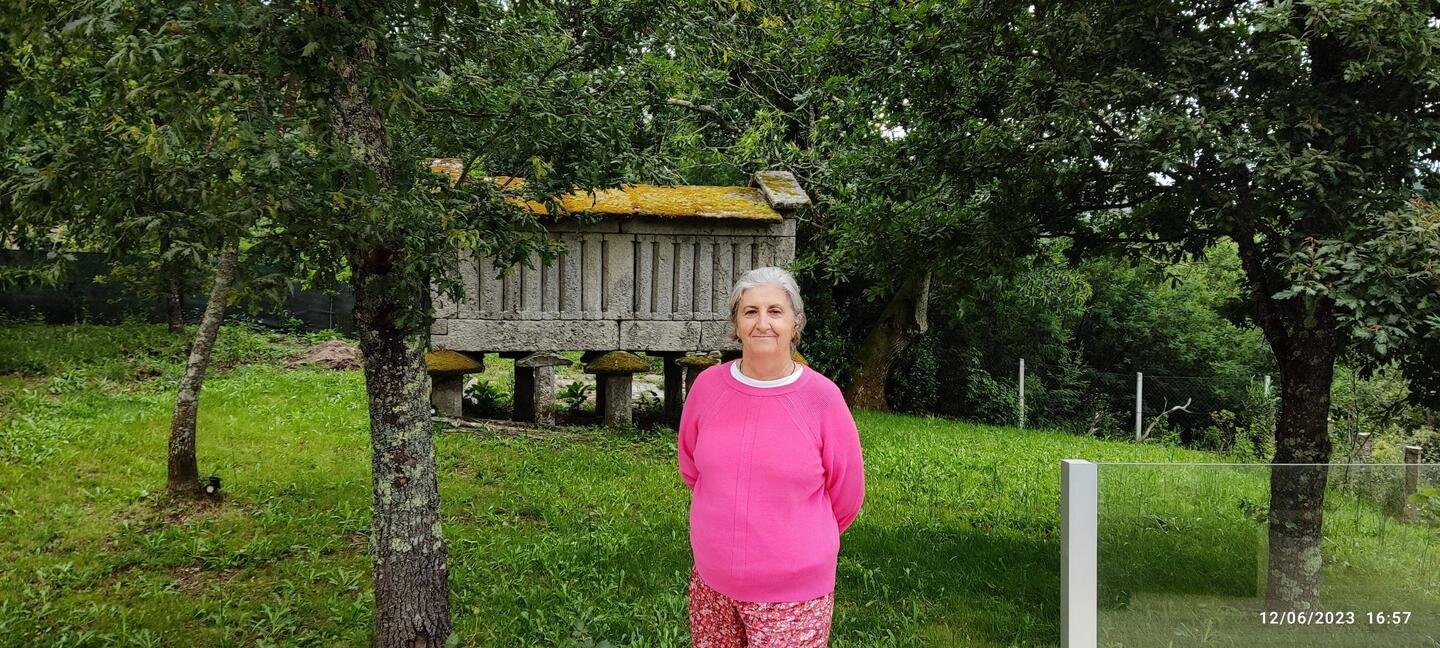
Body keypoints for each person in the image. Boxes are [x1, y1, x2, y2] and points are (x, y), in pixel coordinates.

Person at [677, 266, 866, 647]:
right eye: (751, 311)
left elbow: (847, 496)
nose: (763, 323)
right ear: (736, 323)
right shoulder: (707, 387)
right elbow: (692, 469)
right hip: (712, 584)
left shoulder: (823, 399)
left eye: (775, 311)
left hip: (793, 596)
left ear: (796, 323)